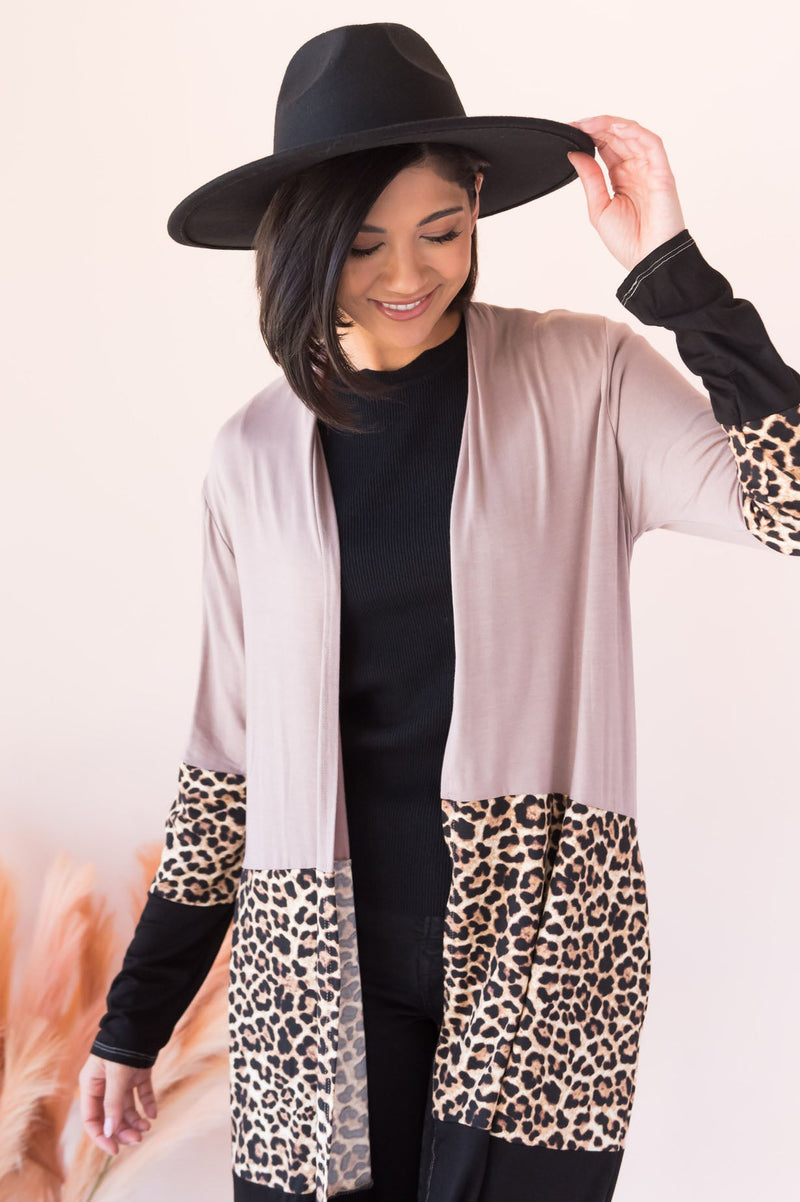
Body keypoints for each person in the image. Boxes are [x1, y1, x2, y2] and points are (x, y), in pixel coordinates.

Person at [78, 20, 800, 1202]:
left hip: (541, 953)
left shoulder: (584, 379)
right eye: (364, 243)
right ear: (300, 242)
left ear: (475, 210)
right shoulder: (250, 457)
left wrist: (671, 273)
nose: (408, 274)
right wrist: (130, 1022)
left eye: (441, 231)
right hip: (312, 966)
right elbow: (224, 772)